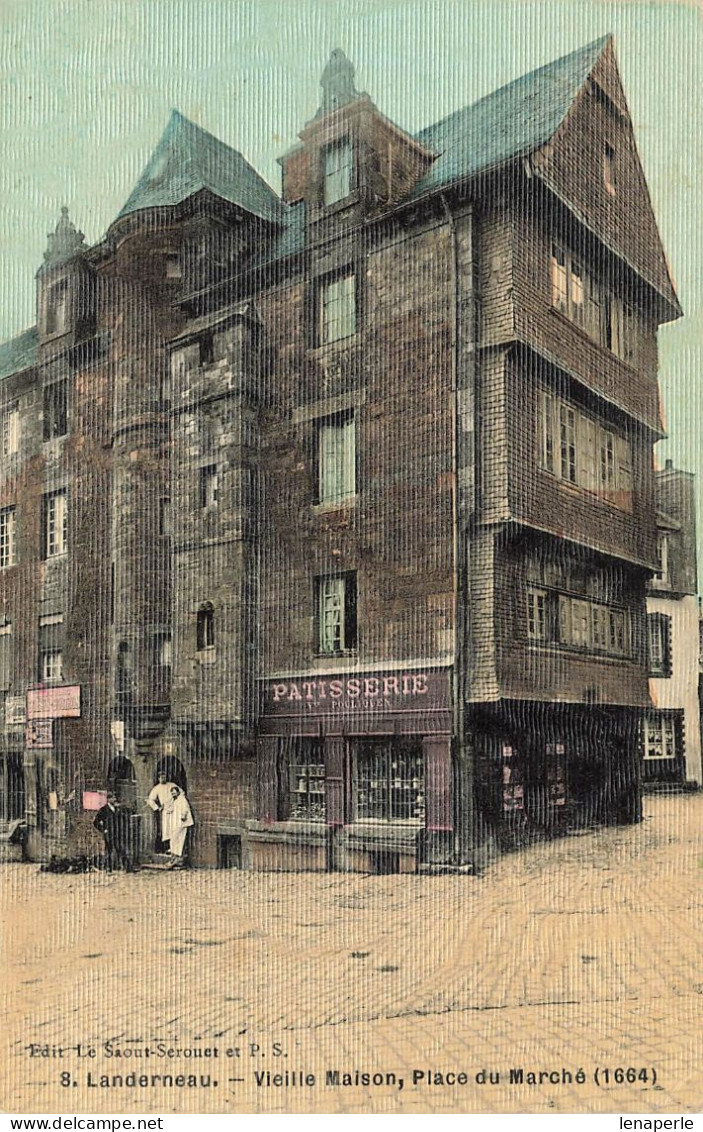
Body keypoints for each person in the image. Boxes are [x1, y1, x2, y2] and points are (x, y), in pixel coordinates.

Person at [93, 792, 135, 872]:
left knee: (121, 849)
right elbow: (96, 822)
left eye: (114, 798)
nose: (114, 799)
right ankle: (108, 868)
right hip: (109, 834)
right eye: (112, 798)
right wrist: (103, 830)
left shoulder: (117, 809)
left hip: (117, 833)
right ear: (108, 800)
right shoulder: (103, 810)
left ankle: (128, 868)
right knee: (109, 851)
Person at [162, 785, 194, 868]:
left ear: (178, 791)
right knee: (175, 839)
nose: (173, 793)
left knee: (176, 839)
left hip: (182, 823)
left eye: (174, 792)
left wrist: (183, 815)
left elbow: (185, 808)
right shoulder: (176, 800)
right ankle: (175, 858)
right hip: (177, 823)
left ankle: (175, 858)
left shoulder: (182, 799)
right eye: (171, 792)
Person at [147, 771, 177, 852]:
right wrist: (157, 808)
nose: (163, 779)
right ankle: (167, 848)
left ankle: (174, 848)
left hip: (175, 810)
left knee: (175, 828)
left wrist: (177, 802)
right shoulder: (157, 788)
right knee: (166, 829)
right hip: (165, 811)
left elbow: (181, 793)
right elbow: (150, 800)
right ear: (158, 778)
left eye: (164, 777)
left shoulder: (172, 785)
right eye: (161, 777)